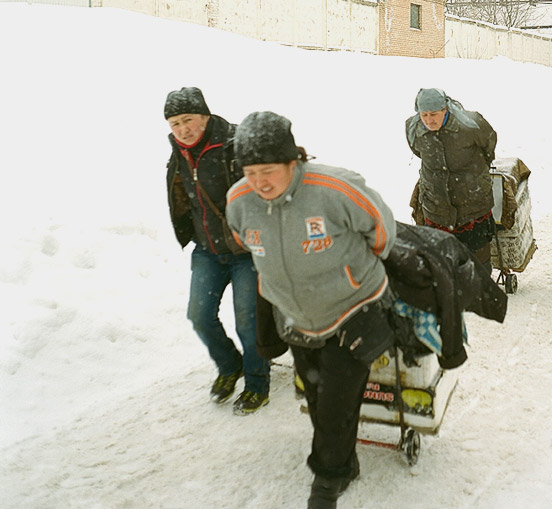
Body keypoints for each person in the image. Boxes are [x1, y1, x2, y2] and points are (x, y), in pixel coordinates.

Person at [226, 112, 396, 509]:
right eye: (250, 172)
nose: (259, 182)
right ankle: (344, 461)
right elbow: (245, 241)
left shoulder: (334, 189)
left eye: (268, 170)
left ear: (293, 161)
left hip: (353, 311)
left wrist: (350, 276)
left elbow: (382, 230)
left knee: (336, 399)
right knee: (317, 395)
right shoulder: (240, 201)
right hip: (296, 318)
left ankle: (326, 484)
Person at [164, 87, 270, 414]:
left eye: (188, 120)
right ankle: (229, 366)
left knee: (248, 323)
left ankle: (256, 383)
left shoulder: (233, 145)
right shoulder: (178, 154)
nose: (182, 129)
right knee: (199, 316)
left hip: (244, 252)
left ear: (205, 117)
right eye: (174, 123)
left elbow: (263, 190)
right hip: (207, 250)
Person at [405, 88, 498, 270]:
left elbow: (489, 145)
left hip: (473, 205)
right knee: (443, 263)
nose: (429, 120)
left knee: (478, 262)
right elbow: (418, 152)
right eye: (424, 115)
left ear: (445, 110)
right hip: (436, 207)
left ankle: (480, 295)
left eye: (434, 114)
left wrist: (474, 175)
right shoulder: (413, 128)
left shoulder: (471, 125)